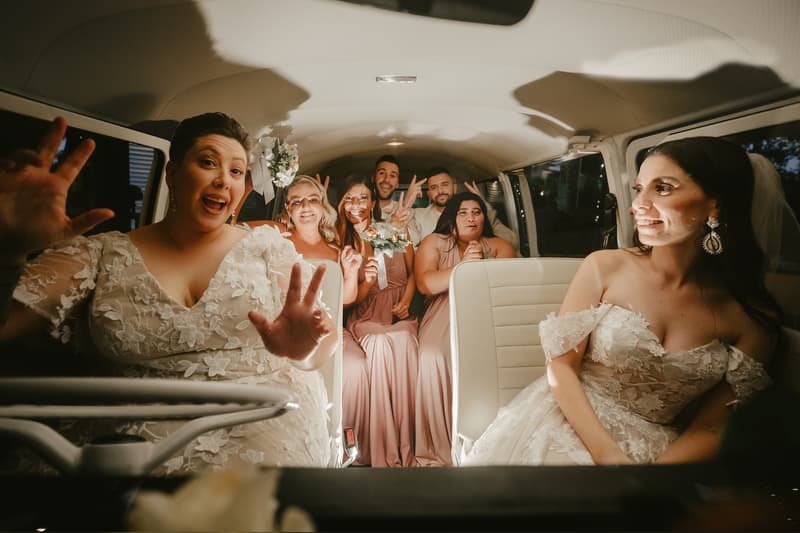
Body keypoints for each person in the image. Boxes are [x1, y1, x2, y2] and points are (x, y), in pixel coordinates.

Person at [0, 113, 338, 473]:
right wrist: (9, 252)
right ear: (172, 173)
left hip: (262, 420)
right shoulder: (100, 254)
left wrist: (301, 351)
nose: (224, 180)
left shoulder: (268, 248)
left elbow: (323, 340)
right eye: (208, 162)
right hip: (126, 437)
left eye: (237, 171)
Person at [462, 136, 781, 466]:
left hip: (663, 454)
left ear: (715, 204)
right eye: (639, 189)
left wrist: (651, 478)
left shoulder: (752, 318)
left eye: (663, 188)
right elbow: (561, 366)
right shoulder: (603, 267)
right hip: (568, 417)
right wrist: (607, 455)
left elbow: (713, 428)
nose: (638, 205)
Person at [414, 192, 516, 466]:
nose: (471, 218)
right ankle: (440, 445)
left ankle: (482, 441)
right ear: (451, 217)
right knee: (432, 355)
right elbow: (425, 284)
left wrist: (482, 265)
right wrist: (463, 266)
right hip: (443, 308)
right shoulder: (433, 243)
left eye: (477, 212)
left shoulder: (499, 246)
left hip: (485, 306)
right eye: (463, 212)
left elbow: (504, 286)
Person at [336, 175, 420, 467]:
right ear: (341, 204)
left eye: (361, 197)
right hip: (367, 312)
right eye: (349, 198)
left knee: (405, 339)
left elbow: (413, 274)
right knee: (379, 344)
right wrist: (367, 282)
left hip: (400, 311)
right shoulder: (341, 241)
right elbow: (349, 301)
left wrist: (407, 301)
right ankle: (381, 445)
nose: (355, 204)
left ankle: (407, 441)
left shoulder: (393, 230)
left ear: (372, 203)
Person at [414, 167, 519, 249]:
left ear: (454, 188)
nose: (440, 191)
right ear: (428, 193)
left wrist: (482, 206)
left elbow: (512, 242)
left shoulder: (474, 213)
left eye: (445, 185)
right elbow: (408, 249)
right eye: (434, 187)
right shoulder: (418, 216)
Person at [371, 155, 425, 244]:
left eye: (392, 175)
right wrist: (392, 224)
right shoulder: (362, 208)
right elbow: (368, 243)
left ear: (397, 184)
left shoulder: (408, 211)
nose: (386, 180)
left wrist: (405, 207)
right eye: (382, 173)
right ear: (373, 178)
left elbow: (413, 242)